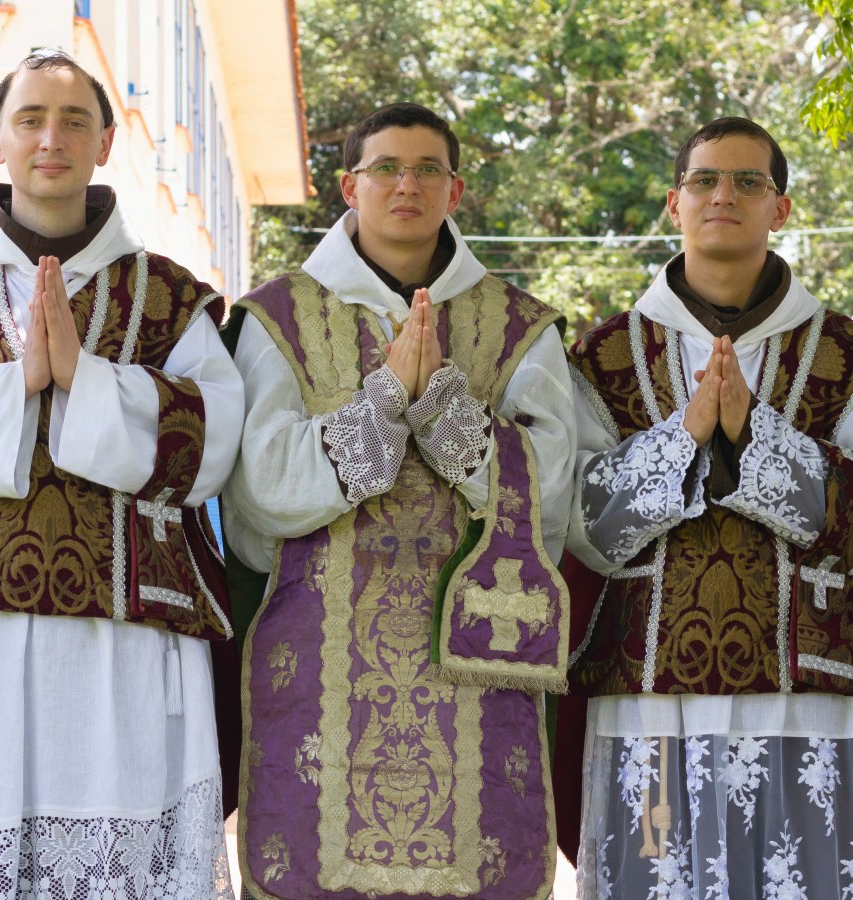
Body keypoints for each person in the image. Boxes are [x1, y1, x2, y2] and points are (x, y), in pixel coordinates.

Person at [0, 51, 243, 898]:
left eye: (73, 121)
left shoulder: (173, 298)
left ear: (105, 143)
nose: (51, 139)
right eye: (31, 119)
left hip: (129, 648)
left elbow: (214, 444)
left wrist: (87, 383)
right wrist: (20, 382)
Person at [222, 102, 575, 900]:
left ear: (455, 192)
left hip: (476, 664)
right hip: (320, 658)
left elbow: (552, 489)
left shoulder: (519, 324)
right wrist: (382, 402)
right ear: (349, 185)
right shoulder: (277, 317)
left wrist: (443, 410)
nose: (404, 184)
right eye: (385, 167)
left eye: (426, 170)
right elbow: (262, 488)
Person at [566, 117, 853, 896]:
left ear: (781, 209)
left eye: (749, 182)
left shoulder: (844, 353)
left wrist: (753, 437)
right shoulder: (604, 353)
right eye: (704, 180)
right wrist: (686, 437)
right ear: (673, 203)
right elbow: (579, 525)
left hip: (803, 700)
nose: (724, 195)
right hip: (647, 696)